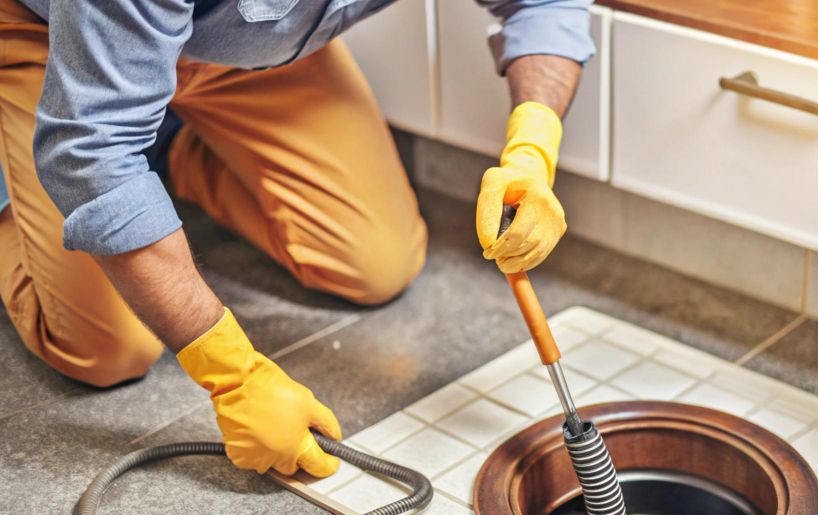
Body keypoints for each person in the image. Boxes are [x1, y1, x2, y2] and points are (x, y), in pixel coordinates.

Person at [0, 0, 592, 477]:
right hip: (61, 48)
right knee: (105, 352)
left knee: (375, 263)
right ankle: (12, 194)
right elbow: (92, 156)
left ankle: (169, 151)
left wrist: (533, 148)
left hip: (240, 55)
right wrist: (233, 374)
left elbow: (544, 4)